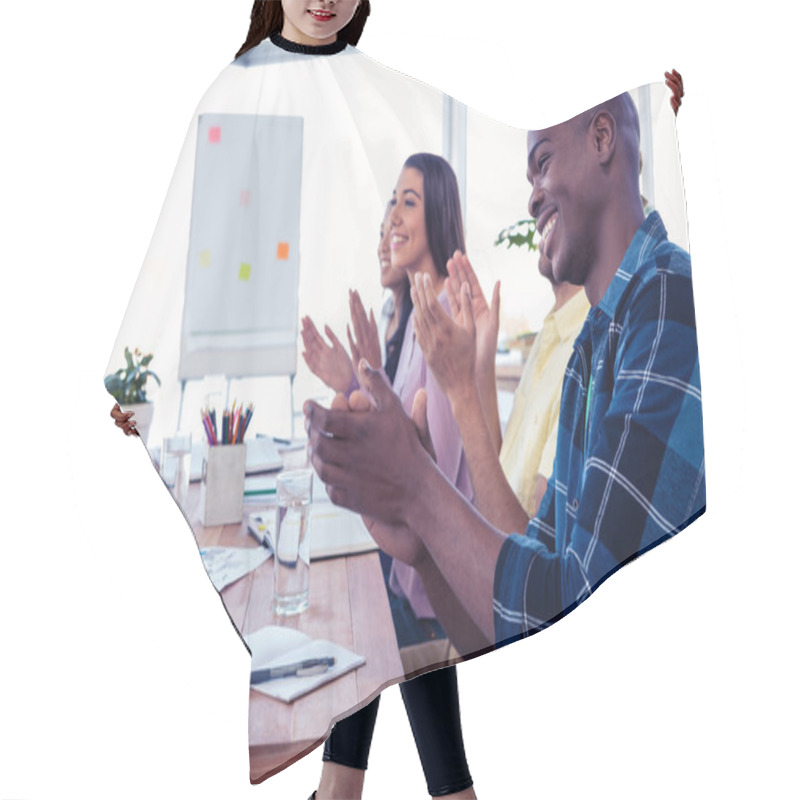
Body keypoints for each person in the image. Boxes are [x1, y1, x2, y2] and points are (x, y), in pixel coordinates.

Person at [304, 89, 705, 657]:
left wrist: (419, 484)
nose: (532, 197)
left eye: (542, 162)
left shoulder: (667, 298)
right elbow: (515, 624)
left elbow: (571, 623)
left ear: (602, 139)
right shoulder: (591, 351)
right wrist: (421, 545)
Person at [302, 157, 477, 800]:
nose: (391, 223)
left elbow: (425, 467)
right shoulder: (416, 314)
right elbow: (399, 445)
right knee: (354, 631)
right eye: (389, 206)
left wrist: (362, 381)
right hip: (406, 570)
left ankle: (335, 790)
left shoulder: (446, 315)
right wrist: (361, 379)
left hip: (425, 583)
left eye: (407, 203)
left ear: (438, 211)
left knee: (354, 621)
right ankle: (336, 789)